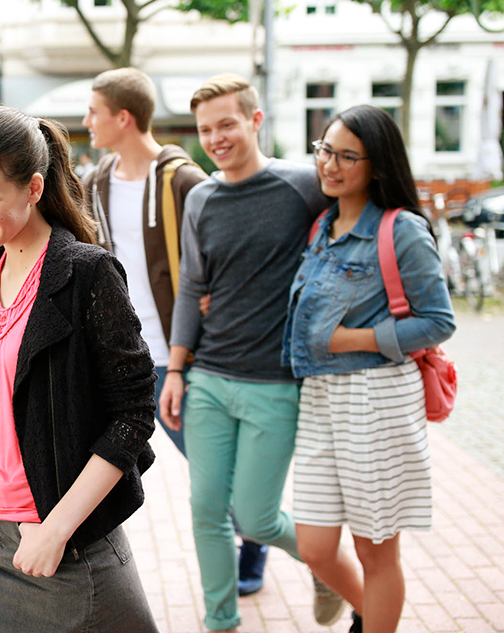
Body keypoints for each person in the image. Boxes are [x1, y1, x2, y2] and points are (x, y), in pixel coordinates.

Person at [0, 105, 159, 632]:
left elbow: (133, 415)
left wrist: (56, 530)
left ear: (34, 188)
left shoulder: (86, 273)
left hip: (60, 541)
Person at [159, 74, 344, 632]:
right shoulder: (201, 199)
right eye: (205, 129)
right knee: (207, 508)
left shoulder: (302, 185)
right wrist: (175, 367)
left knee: (257, 517)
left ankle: (328, 566)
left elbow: (354, 226)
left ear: (255, 121)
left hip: (275, 383)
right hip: (210, 378)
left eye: (226, 124)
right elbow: (192, 286)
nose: (215, 138)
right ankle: (221, 620)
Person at [80, 67, 271, 596]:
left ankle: (254, 539)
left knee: (207, 463)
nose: (86, 121)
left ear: (123, 117)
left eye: (93, 111)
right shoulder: (94, 180)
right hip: (122, 351)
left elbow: (226, 250)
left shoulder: (184, 179)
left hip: (183, 351)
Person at [284, 105, 455, 633]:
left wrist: (355, 339)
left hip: (375, 397)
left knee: (375, 551)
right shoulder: (323, 224)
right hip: (319, 397)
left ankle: (377, 621)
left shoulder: (400, 229)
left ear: (376, 166)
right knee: (313, 546)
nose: (329, 165)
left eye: (346, 156)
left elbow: (438, 320)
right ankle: (374, 613)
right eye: (325, 150)